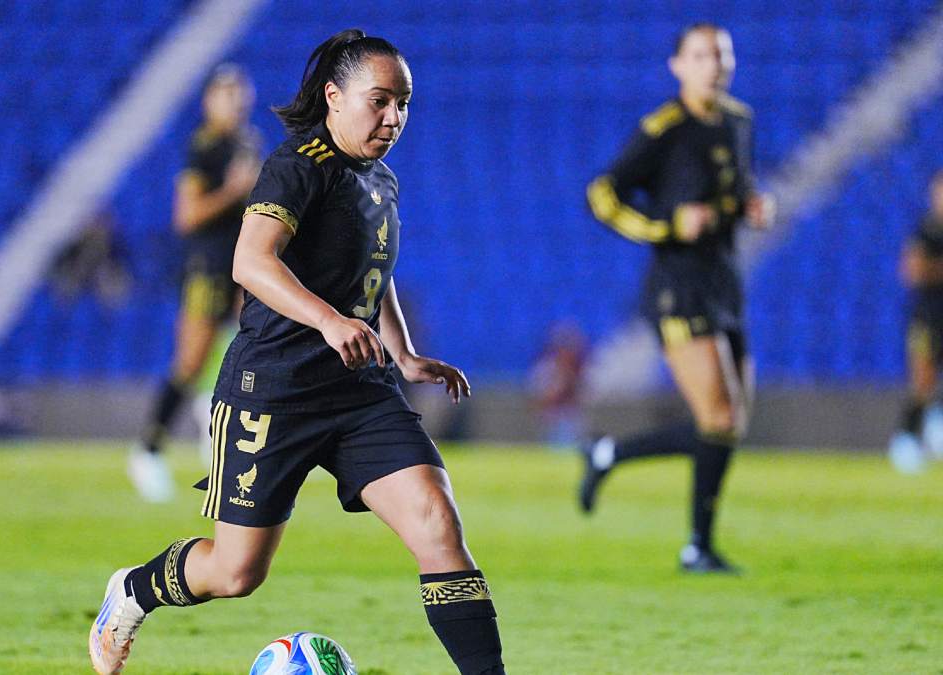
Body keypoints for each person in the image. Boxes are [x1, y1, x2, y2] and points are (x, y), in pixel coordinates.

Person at [89, 29, 505, 675]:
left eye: (403, 103)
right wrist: (329, 320)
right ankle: (133, 590)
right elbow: (250, 261)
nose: (393, 117)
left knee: (437, 522)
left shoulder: (382, 180)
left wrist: (404, 353)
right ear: (334, 97)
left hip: (360, 391)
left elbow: (374, 270)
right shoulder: (296, 165)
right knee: (236, 573)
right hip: (273, 388)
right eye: (379, 101)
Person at [580, 23, 774, 573]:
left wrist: (752, 205)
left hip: (725, 282)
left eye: (721, 54)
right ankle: (697, 547)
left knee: (728, 423)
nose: (714, 64)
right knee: (718, 416)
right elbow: (603, 194)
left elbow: (734, 191)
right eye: (701, 55)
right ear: (678, 66)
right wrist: (665, 226)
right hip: (678, 286)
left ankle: (612, 457)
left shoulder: (739, 120)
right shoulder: (665, 128)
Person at [129, 64, 262, 502]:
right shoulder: (203, 148)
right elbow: (186, 216)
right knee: (190, 361)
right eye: (226, 95)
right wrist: (233, 191)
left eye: (240, 94)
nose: (235, 103)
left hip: (243, 265)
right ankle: (148, 450)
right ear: (209, 102)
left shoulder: (248, 142)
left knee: (254, 351)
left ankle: (221, 436)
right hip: (207, 266)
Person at [891, 170, 943, 471]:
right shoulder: (926, 230)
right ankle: (906, 439)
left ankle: (934, 428)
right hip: (928, 317)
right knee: (923, 380)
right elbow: (912, 271)